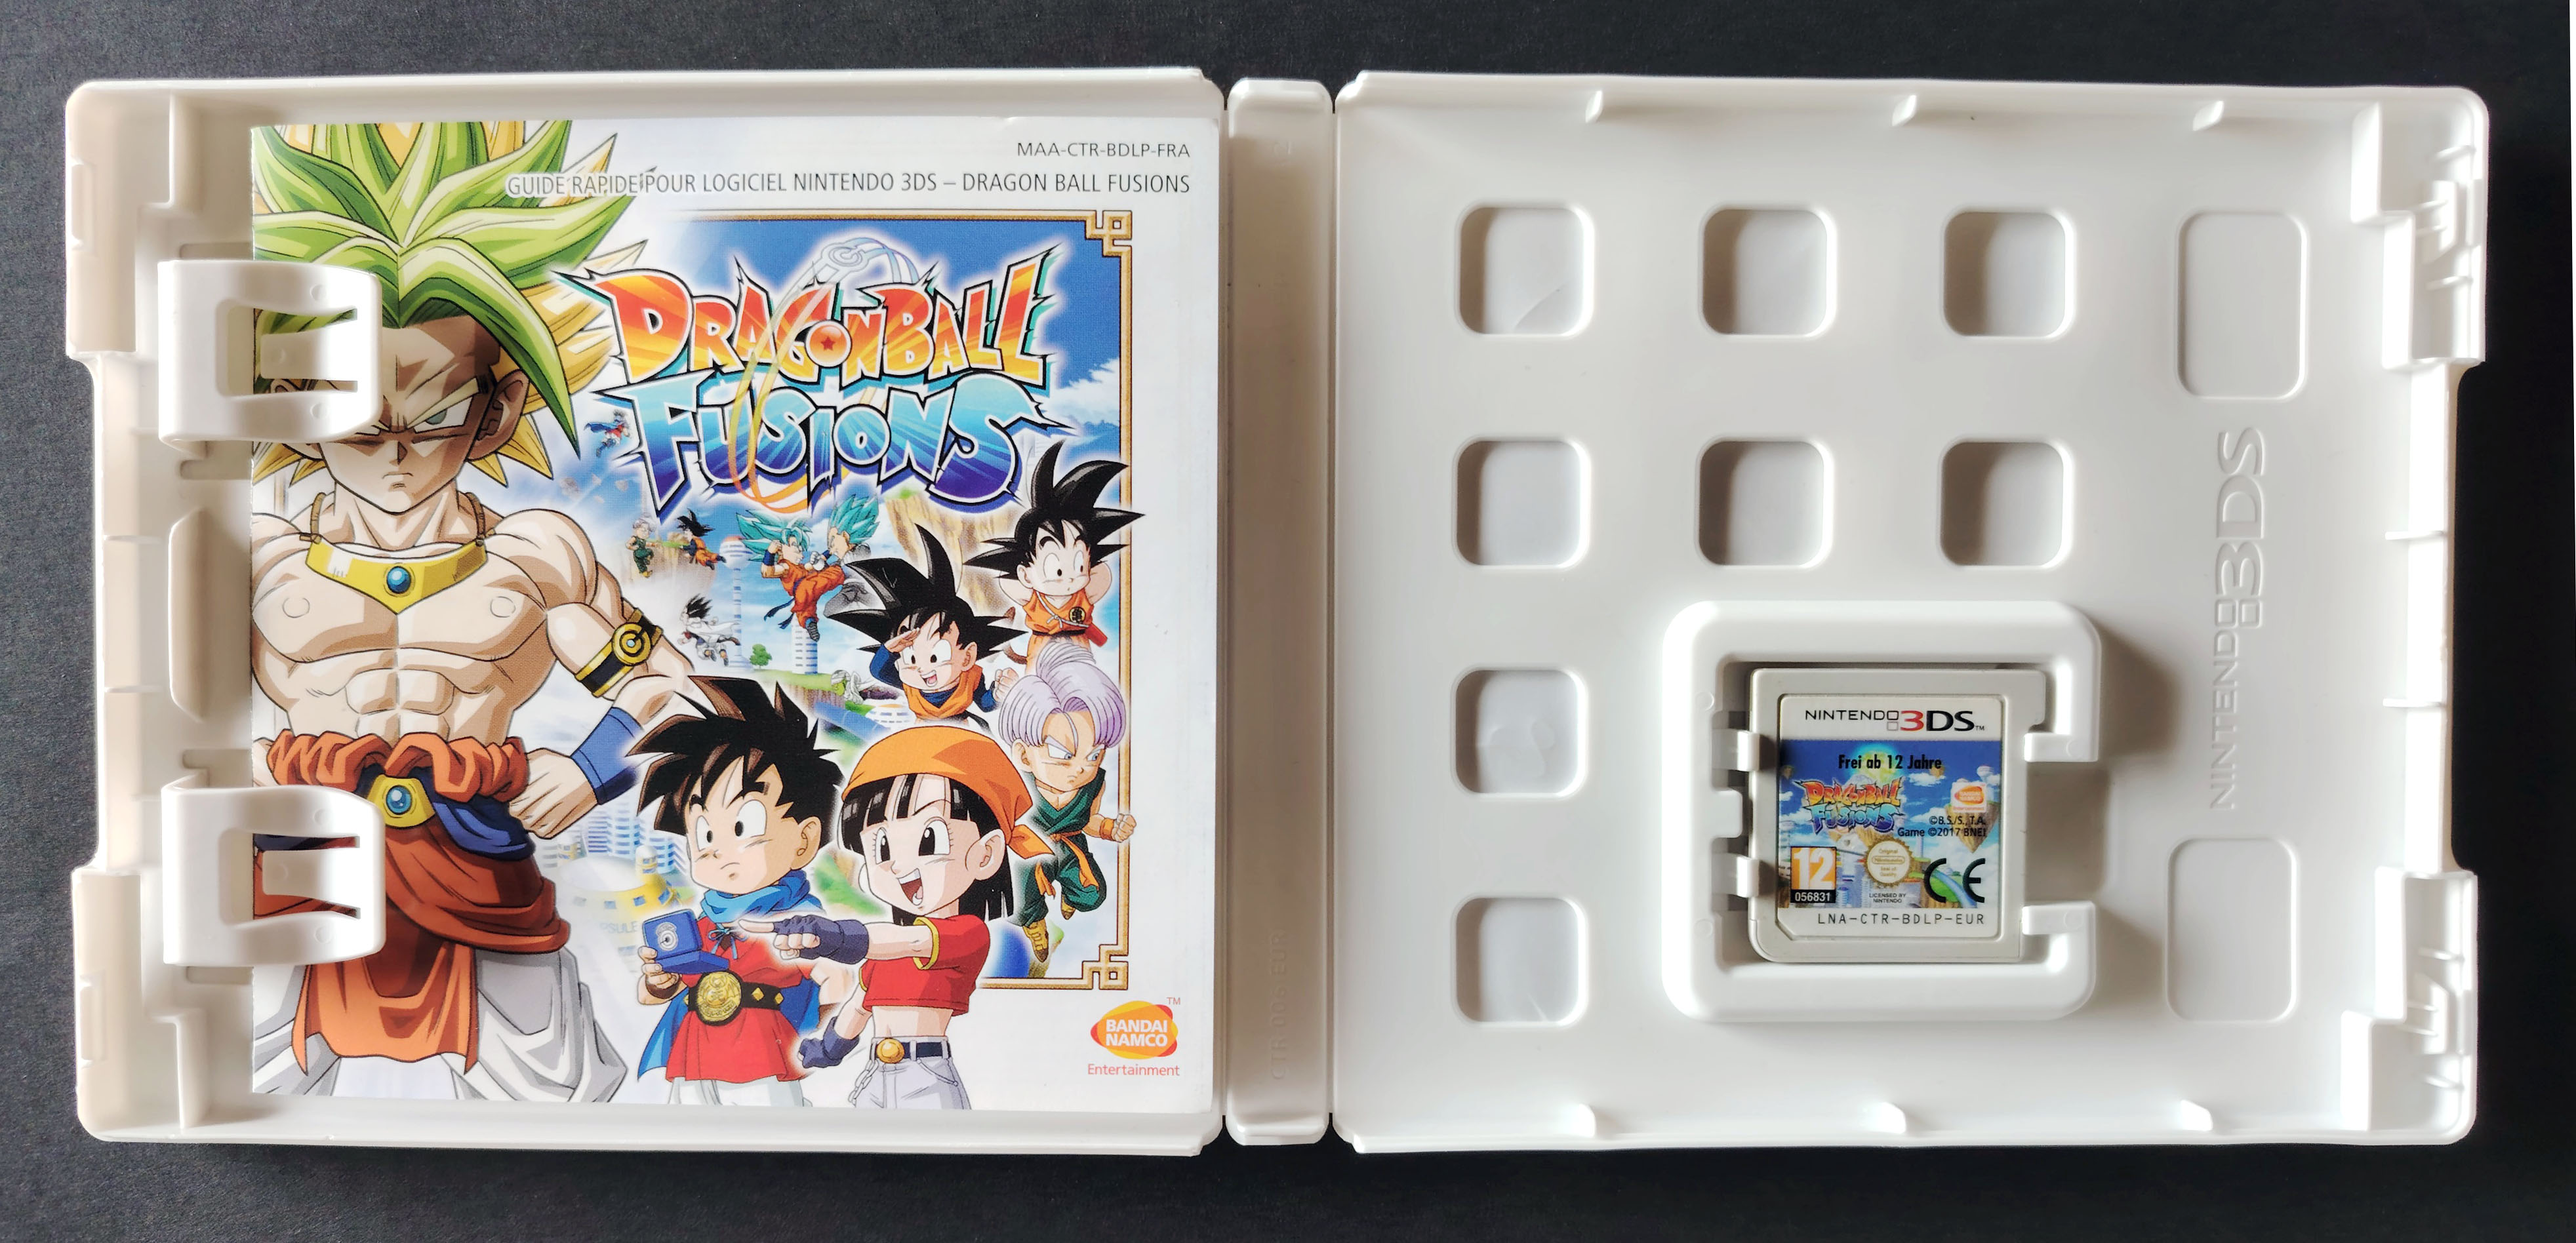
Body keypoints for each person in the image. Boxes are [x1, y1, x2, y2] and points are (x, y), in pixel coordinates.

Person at [247, 121, 684, 1101]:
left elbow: (674, 696)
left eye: (435, 414)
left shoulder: (534, 558)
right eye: (356, 418)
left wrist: (590, 770)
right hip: (299, 857)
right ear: (292, 403)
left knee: (559, 1107)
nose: (397, 451)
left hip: (480, 862)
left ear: (497, 407)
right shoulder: (258, 559)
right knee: (243, 1087)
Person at [740, 726, 1028, 1109]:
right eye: (882, 847)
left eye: (929, 840)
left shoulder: (967, 933)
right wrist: (829, 1048)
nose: (899, 866)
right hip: (875, 1073)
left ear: (986, 854)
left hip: (927, 1076)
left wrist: (834, 936)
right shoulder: (883, 954)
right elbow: (860, 1005)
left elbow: (909, 940)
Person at [629, 678, 847, 1105]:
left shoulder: (800, 921)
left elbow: (836, 982)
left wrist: (809, 1034)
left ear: (803, 840)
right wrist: (659, 982)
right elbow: (652, 994)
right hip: (693, 1054)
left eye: (744, 826)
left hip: (762, 1052)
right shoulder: (702, 924)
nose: (718, 849)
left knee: (773, 1136)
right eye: (704, 833)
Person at [994, 640, 1137, 974]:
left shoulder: (1093, 784)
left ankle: (1070, 897)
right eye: (1062, 754)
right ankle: (1035, 925)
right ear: (1024, 755)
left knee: (1092, 894)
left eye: (1094, 754)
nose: (1081, 769)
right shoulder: (1017, 783)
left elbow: (1089, 820)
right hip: (1028, 856)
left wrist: (1110, 829)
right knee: (1021, 901)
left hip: (1072, 848)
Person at [828, 525, 1022, 724]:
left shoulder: (970, 677)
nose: (921, 668)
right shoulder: (911, 682)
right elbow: (879, 671)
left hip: (961, 736)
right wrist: (890, 649)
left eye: (935, 656)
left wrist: (998, 694)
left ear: (967, 657)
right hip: (921, 736)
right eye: (911, 657)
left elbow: (985, 704)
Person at [967, 443, 1138, 667]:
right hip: (1041, 653)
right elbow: (1010, 586)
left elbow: (1102, 580)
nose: (1070, 578)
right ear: (1025, 575)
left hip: (1078, 653)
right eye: (1057, 570)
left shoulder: (1084, 595)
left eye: (1080, 566)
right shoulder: (1033, 597)